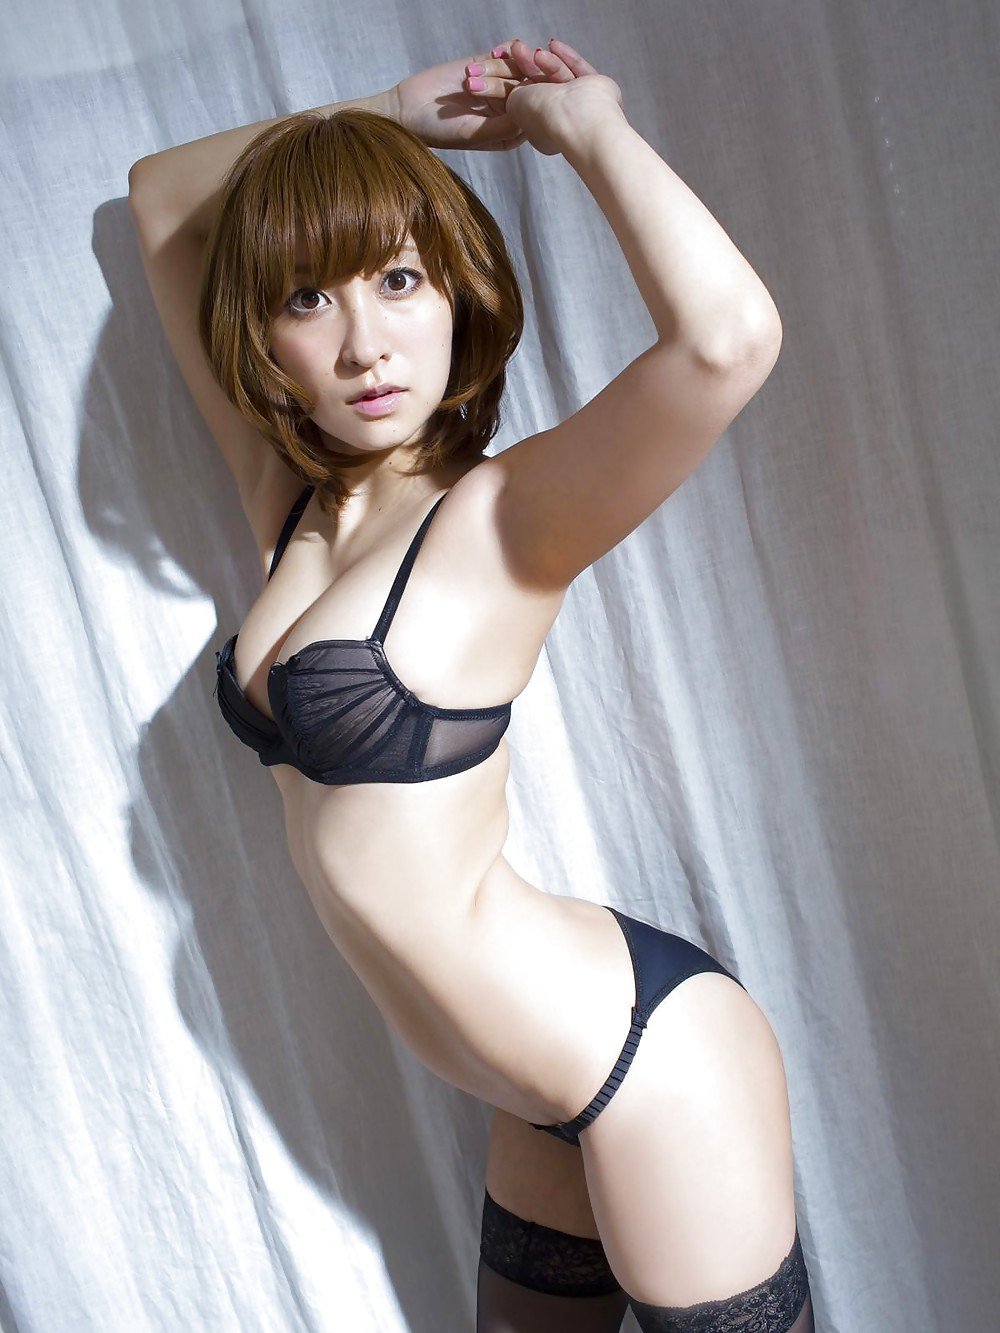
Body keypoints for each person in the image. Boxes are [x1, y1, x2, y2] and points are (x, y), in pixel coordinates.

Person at [128, 34, 813, 1332]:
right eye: (309, 298)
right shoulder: (293, 504)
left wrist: (585, 127)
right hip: (531, 1094)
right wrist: (400, 113)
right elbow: (163, 194)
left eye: (398, 279)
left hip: (647, 1059)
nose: (365, 344)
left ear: (458, 292)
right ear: (264, 335)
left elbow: (729, 341)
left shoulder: (503, 517)